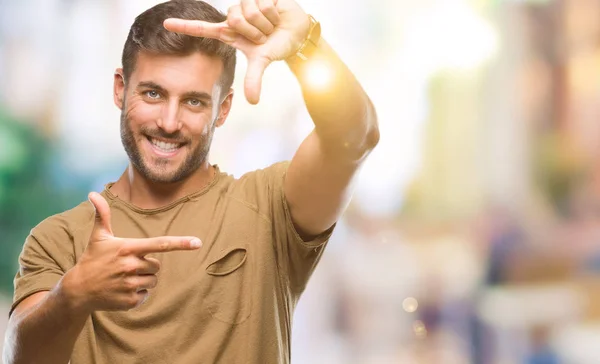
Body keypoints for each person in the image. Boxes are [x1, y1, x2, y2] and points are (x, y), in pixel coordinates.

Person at [3, 0, 379, 362]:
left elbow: (355, 136)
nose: (168, 121)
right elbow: (21, 358)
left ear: (224, 109)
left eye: (194, 102)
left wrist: (306, 46)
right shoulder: (59, 239)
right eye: (153, 93)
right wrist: (74, 294)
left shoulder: (270, 208)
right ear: (120, 89)